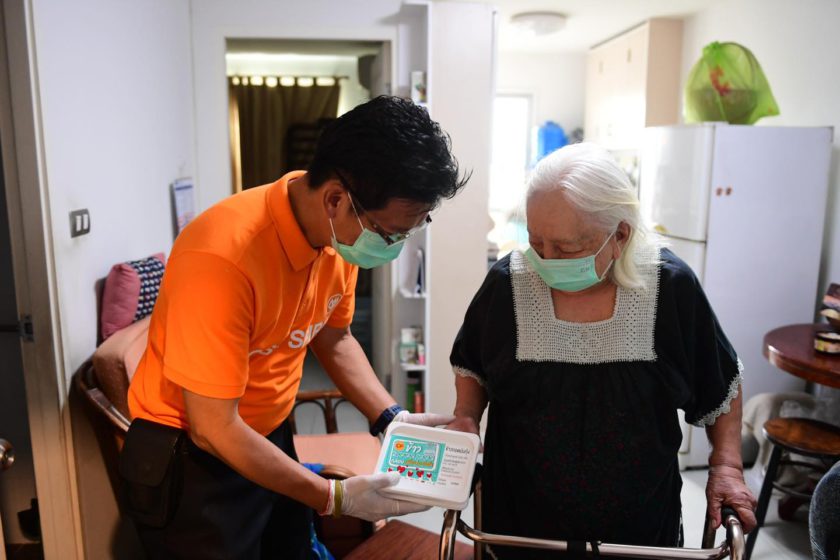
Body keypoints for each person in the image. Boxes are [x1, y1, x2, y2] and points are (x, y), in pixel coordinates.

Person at [124, 96, 467, 559]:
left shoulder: (336, 238)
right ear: (336, 200)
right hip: (192, 459)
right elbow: (213, 427)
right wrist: (334, 497)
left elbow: (334, 336)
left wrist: (391, 417)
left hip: (267, 433)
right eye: (389, 234)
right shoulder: (221, 258)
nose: (393, 247)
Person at [447, 143, 757, 558]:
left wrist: (727, 466)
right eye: (536, 242)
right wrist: (466, 418)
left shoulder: (670, 290)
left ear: (620, 235)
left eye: (566, 249)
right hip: (519, 529)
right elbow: (473, 365)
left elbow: (720, 384)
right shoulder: (507, 285)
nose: (546, 260)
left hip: (640, 536)